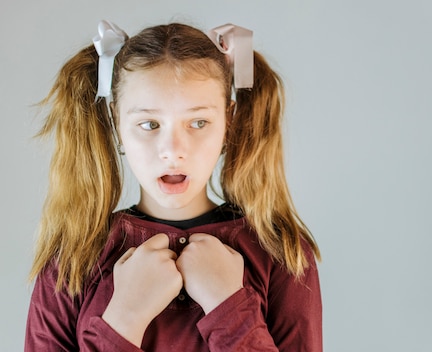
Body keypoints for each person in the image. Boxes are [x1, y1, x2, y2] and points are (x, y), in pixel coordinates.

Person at [25, 20, 322, 351]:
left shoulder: (281, 254)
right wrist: (125, 319)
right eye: (149, 124)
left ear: (229, 121)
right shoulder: (74, 257)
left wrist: (230, 308)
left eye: (198, 122)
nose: (173, 150)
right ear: (116, 122)